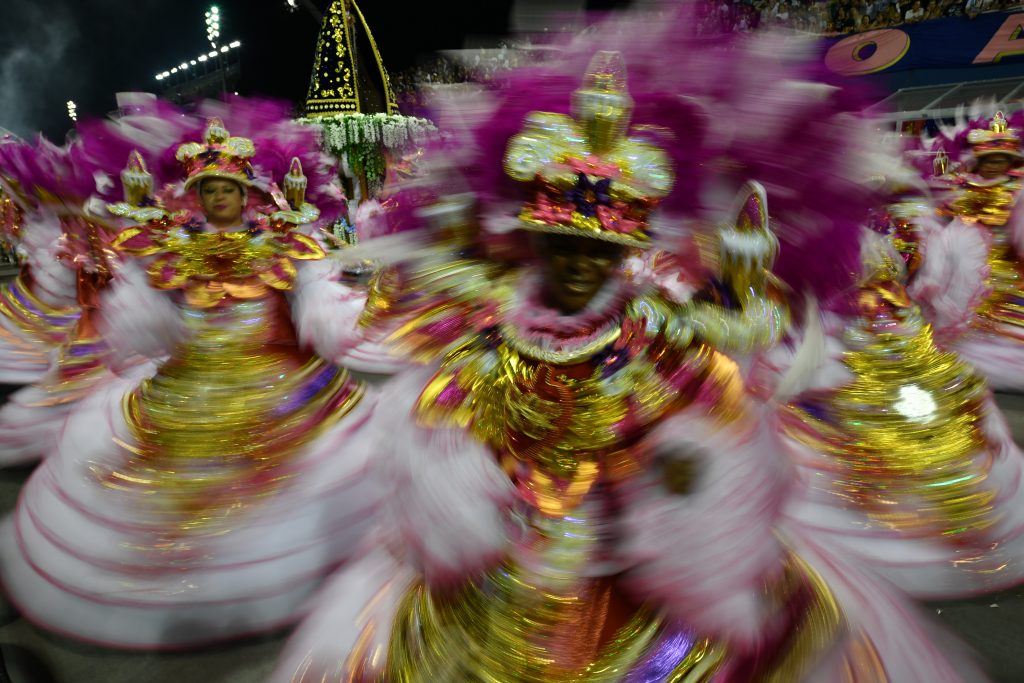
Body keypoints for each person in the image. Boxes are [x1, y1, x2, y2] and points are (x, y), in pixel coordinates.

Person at [271, 50, 986, 683]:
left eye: (598, 252)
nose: (581, 267)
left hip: (637, 560)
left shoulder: (657, 330)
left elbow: (717, 410)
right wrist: (466, 472)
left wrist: (685, 467)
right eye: (564, 249)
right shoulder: (494, 334)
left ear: (622, 256)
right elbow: (443, 414)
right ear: (536, 248)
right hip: (514, 556)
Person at [0, 114, 384, 648]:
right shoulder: (169, 246)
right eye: (211, 189)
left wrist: (334, 312)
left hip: (278, 383)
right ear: (197, 195)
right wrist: (130, 303)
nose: (221, 197)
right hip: (188, 383)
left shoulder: (282, 241)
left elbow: (316, 302)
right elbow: (144, 314)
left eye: (230, 188)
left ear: (246, 194)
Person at [910, 111, 1024, 390]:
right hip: (965, 262)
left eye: (1001, 160)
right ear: (980, 161)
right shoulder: (962, 186)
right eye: (991, 160)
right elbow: (942, 212)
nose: (995, 165)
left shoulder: (1018, 190)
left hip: (1004, 264)